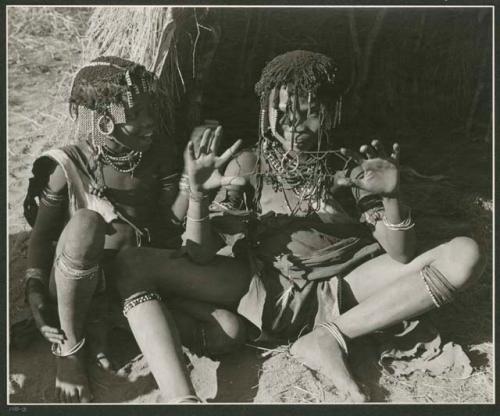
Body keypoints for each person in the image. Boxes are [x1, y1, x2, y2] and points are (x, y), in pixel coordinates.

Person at [113, 50, 485, 402]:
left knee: (464, 254)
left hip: (349, 287)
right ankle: (183, 400)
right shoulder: (247, 164)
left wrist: (392, 196)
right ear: (265, 111)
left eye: (308, 112)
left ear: (331, 111)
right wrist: (197, 195)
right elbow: (200, 254)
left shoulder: (350, 165)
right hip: (262, 285)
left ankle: (329, 336)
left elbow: (401, 254)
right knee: (133, 264)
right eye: (281, 112)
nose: (293, 123)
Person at [22, 56, 242, 403]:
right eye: (135, 114)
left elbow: (170, 228)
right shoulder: (66, 165)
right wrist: (35, 293)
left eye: (149, 110)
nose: (149, 122)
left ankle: (112, 320)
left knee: (227, 332)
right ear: (104, 121)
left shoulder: (159, 155)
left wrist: (193, 189)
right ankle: (71, 350)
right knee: (86, 225)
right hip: (77, 285)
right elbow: (41, 240)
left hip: (136, 276)